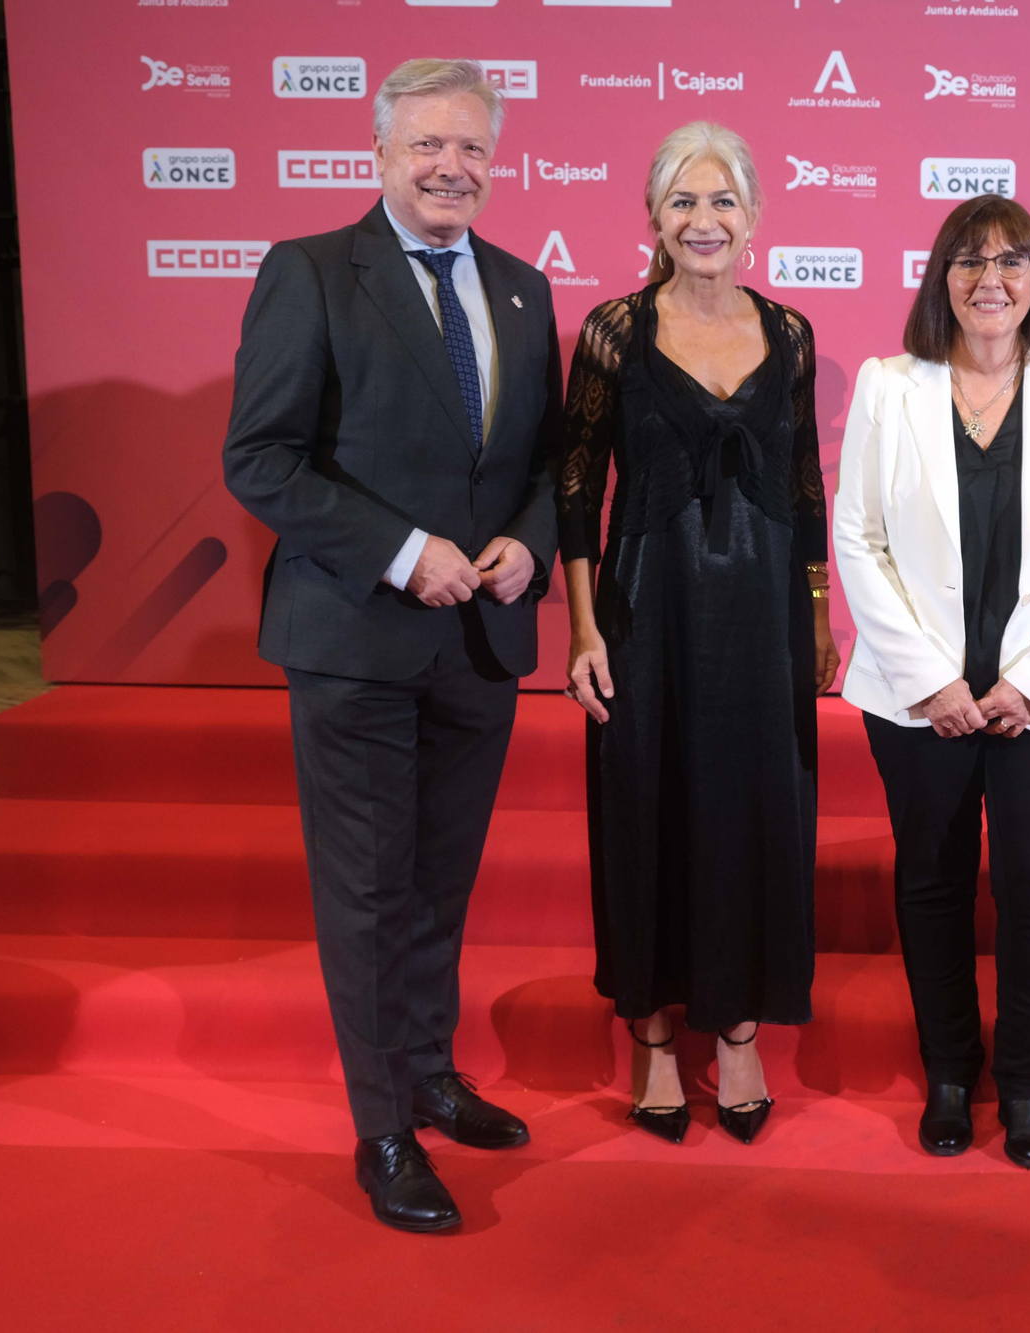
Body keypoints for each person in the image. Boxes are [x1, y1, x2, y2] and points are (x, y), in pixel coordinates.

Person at [223, 60, 560, 1232]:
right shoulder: (310, 272)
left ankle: (426, 1073)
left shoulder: (522, 289)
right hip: (354, 635)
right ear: (379, 153)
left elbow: (541, 468)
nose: (449, 167)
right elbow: (259, 458)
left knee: (437, 884)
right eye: (427, 145)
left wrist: (526, 543)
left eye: (469, 147)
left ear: (493, 159)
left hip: (479, 644)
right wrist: (400, 548)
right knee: (367, 892)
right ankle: (380, 1128)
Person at [834, 194, 1030, 1170]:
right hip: (916, 699)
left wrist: (1028, 680)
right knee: (931, 882)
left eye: (1009, 260)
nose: (988, 278)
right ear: (939, 278)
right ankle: (951, 1073)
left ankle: (1027, 1083)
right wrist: (930, 680)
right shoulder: (887, 386)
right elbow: (857, 538)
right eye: (966, 260)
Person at [560, 122, 836, 1148]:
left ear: (753, 217)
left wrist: (815, 616)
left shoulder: (792, 335)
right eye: (683, 201)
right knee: (646, 809)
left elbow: (806, 485)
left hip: (761, 613)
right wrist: (584, 630)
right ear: (654, 218)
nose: (703, 220)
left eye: (721, 202)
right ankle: (653, 1036)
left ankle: (739, 1031)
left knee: (757, 811)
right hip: (644, 609)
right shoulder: (612, 333)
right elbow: (576, 485)